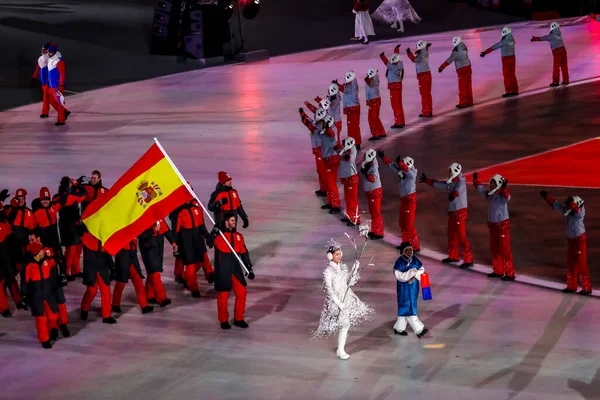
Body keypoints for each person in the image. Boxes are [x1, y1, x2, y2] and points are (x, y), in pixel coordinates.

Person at [312, 241, 373, 360]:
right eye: (336, 254)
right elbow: (329, 290)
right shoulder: (328, 271)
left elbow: (350, 282)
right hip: (337, 301)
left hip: (347, 298)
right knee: (344, 324)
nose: (339, 256)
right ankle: (340, 350)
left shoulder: (343, 267)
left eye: (340, 254)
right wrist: (338, 303)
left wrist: (355, 269)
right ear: (330, 256)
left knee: (346, 324)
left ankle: (341, 349)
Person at [420, 163, 473, 268]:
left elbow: (457, 192)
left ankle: (468, 259)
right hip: (453, 212)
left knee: (461, 236)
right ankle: (453, 256)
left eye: (450, 171)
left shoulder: (460, 183)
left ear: (455, 172)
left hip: (459, 213)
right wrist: (427, 181)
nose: (449, 173)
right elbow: (441, 184)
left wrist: (453, 196)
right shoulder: (452, 182)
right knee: (451, 234)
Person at [540, 191, 591, 294]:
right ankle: (571, 286)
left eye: (569, 205)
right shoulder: (568, 211)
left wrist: (572, 204)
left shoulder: (579, 213)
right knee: (571, 263)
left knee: (581, 264)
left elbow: (577, 210)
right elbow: (555, 204)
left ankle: (587, 288)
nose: (566, 207)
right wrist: (547, 197)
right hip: (572, 241)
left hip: (580, 241)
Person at [210, 213, 254, 329]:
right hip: (223, 269)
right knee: (223, 295)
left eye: (235, 220)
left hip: (235, 269)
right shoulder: (220, 235)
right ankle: (223, 320)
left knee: (242, 292)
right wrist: (213, 233)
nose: (234, 222)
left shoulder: (239, 236)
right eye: (232, 220)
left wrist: (249, 268)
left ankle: (239, 318)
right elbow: (209, 243)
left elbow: (244, 253)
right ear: (226, 222)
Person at [26, 231, 70, 339]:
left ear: (38, 238)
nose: (30, 242)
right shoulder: (30, 254)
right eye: (29, 241)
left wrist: (63, 274)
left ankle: (63, 324)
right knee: (49, 308)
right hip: (44, 286)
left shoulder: (49, 249)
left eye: (32, 240)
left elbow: (60, 260)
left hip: (55, 282)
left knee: (60, 302)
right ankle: (53, 328)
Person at [473, 173, 515, 280]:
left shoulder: (502, 197)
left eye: (493, 183)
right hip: (493, 227)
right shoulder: (490, 195)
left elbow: (508, 197)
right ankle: (498, 270)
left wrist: (504, 189)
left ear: (498, 184)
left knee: (505, 250)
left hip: (502, 227)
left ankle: (510, 273)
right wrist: (476, 182)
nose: (490, 185)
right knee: (494, 249)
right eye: (490, 183)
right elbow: (482, 191)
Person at [377, 151, 420, 250]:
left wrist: (401, 164)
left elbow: (408, 172)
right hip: (404, 201)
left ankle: (415, 245)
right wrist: (384, 158)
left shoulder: (412, 173)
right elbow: (392, 166)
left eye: (403, 165)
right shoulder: (403, 172)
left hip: (410, 201)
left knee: (409, 224)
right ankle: (406, 242)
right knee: (402, 222)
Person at [21, 242, 60, 349]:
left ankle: (53, 329)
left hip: (48, 294)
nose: (44, 251)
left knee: (53, 314)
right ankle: (44, 339)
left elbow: (55, 261)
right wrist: (24, 296)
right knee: (41, 319)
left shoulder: (46, 262)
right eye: (42, 250)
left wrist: (58, 256)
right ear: (37, 253)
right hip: (36, 296)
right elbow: (24, 283)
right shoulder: (29, 267)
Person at [175, 200, 213, 298]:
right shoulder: (179, 212)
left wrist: (208, 237)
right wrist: (175, 245)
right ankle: (194, 289)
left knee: (200, 261)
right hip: (186, 244)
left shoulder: (197, 209)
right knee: (190, 266)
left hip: (198, 241)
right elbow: (176, 231)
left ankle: (185, 276)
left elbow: (202, 226)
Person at [79, 229, 117, 324]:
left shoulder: (104, 237)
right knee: (92, 291)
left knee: (106, 291)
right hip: (91, 268)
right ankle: (84, 308)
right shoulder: (86, 236)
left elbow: (107, 253)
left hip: (103, 267)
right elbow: (79, 234)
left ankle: (106, 315)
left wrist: (111, 265)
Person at [393, 242, 428, 337]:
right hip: (403, 289)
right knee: (409, 308)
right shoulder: (399, 261)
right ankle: (419, 330)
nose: (409, 252)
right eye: (407, 250)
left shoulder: (415, 260)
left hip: (413, 288)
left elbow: (421, 270)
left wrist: (415, 275)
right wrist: (411, 273)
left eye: (411, 250)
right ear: (403, 251)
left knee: (406, 308)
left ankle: (398, 328)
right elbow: (399, 275)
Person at [138, 220, 176, 307]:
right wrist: (153, 230)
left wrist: (173, 243)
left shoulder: (160, 218)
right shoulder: (142, 219)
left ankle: (149, 295)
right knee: (155, 273)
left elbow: (167, 231)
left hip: (158, 248)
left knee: (152, 272)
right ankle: (162, 298)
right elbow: (140, 235)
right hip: (148, 249)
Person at [56, 177, 87, 280]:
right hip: (70, 226)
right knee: (72, 250)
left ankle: (74, 271)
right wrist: (77, 184)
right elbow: (84, 193)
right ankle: (67, 272)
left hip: (71, 224)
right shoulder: (71, 196)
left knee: (76, 248)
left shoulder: (59, 196)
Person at [112, 240, 154, 314]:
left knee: (138, 280)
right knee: (121, 281)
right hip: (123, 254)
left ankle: (144, 306)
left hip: (132, 254)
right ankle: (115, 304)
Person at [32, 187, 65, 273]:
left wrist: (63, 187)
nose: (46, 202)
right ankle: (49, 276)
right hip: (45, 239)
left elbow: (63, 200)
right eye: (43, 199)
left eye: (47, 199)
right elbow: (33, 227)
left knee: (59, 256)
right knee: (48, 258)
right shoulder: (36, 212)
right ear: (40, 200)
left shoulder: (53, 207)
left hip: (55, 238)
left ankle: (62, 275)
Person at [480, 26, 519, 98]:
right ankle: (515, 90)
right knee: (512, 75)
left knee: (507, 75)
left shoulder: (504, 41)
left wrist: (485, 52)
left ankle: (509, 91)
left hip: (506, 59)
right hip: (512, 58)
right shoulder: (512, 38)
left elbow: (495, 46)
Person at [299, 107, 328, 197]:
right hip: (320, 151)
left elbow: (309, 124)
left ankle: (324, 189)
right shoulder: (321, 124)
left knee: (321, 171)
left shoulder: (318, 126)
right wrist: (303, 114)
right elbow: (310, 122)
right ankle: (323, 188)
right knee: (320, 171)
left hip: (320, 151)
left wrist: (303, 115)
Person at [438, 36, 473, 109]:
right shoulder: (464, 47)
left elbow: (449, 60)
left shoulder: (456, 52)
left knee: (462, 87)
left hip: (462, 70)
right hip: (468, 67)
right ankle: (470, 101)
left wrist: (441, 67)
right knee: (468, 86)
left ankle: (463, 103)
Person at [531, 21, 569, 87]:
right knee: (564, 67)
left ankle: (555, 82)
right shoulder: (559, 34)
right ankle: (566, 80)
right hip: (563, 51)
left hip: (557, 52)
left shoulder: (551, 36)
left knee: (556, 67)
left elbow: (543, 38)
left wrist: (534, 38)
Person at [320, 115, 342, 214]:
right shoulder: (326, 129)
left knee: (331, 182)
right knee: (329, 182)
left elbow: (332, 134)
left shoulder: (331, 129)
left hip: (331, 159)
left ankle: (336, 205)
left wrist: (327, 128)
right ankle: (330, 202)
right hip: (327, 158)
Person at [380, 45, 405, 129]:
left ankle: (398, 122)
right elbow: (395, 57)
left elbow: (386, 62)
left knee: (395, 105)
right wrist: (396, 50)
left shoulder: (393, 67)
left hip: (393, 88)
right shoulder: (399, 65)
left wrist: (382, 56)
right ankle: (402, 120)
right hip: (398, 86)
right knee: (399, 104)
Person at [360, 149, 384, 239]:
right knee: (372, 212)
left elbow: (372, 178)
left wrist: (365, 173)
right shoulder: (368, 164)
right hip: (370, 191)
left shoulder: (373, 166)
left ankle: (379, 233)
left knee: (376, 212)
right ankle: (375, 230)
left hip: (374, 191)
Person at [336, 72, 362, 150]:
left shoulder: (352, 86)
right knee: (352, 126)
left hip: (352, 108)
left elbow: (345, 90)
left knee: (353, 127)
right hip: (352, 108)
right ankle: (355, 142)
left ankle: (355, 143)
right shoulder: (351, 84)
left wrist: (337, 85)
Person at [406, 40, 433, 118]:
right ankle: (429, 110)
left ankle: (426, 112)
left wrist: (408, 53)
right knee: (428, 94)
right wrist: (426, 47)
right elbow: (424, 51)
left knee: (424, 95)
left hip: (423, 76)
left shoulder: (420, 54)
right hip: (428, 74)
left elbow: (414, 60)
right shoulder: (425, 52)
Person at [46, 45, 71, 126]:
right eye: (48, 52)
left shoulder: (59, 62)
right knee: (51, 100)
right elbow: (50, 72)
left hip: (57, 85)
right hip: (51, 85)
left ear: (54, 52)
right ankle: (65, 112)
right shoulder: (50, 60)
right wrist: (48, 80)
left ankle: (61, 120)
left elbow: (62, 74)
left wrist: (61, 85)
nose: (49, 53)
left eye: (51, 52)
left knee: (60, 103)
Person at [338, 137, 360, 226]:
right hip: (347, 177)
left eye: (344, 144)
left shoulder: (352, 150)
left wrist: (343, 151)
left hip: (352, 178)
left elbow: (349, 159)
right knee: (348, 198)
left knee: (352, 199)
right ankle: (349, 216)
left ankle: (355, 219)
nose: (343, 145)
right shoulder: (347, 150)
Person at [364, 68, 387, 141]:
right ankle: (381, 132)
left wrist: (367, 79)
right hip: (376, 99)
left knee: (371, 118)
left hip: (373, 101)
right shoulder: (375, 79)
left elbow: (370, 84)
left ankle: (376, 133)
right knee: (376, 117)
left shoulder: (373, 80)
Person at [32, 43, 52, 118]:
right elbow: (38, 68)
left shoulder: (51, 59)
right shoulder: (40, 58)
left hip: (48, 81)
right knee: (48, 97)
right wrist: (34, 77)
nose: (43, 50)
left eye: (45, 49)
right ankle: (63, 110)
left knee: (46, 97)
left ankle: (45, 112)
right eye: (42, 49)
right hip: (42, 81)